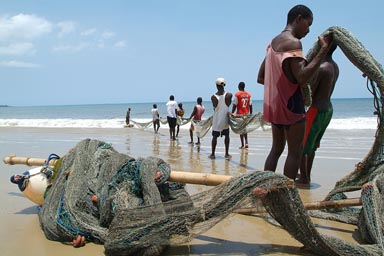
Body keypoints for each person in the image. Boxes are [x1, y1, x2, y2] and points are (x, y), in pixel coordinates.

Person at [257, 4, 333, 180]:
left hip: (275, 107)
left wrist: (280, 87)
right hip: (292, 106)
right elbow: (302, 78)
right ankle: (287, 194)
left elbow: (261, 77)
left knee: (276, 150)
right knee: (295, 152)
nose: (308, 30)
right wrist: (322, 51)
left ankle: (264, 186)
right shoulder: (293, 43)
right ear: (299, 18)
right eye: (308, 24)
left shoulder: (272, 44)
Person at [297, 43, 339, 187]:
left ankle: (303, 178)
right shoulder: (335, 66)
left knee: (302, 145)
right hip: (328, 109)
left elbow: (310, 92)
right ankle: (307, 174)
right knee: (312, 146)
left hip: (316, 109)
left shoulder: (321, 68)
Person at [209, 77, 233, 159]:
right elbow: (228, 105)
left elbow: (214, 108)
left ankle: (213, 154)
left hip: (216, 120)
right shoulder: (229, 95)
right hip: (225, 120)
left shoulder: (213, 97)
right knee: (227, 136)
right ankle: (226, 153)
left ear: (216, 85)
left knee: (214, 137)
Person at [232, 81, 253, 149]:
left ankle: (242, 144)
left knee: (241, 129)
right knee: (245, 129)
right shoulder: (248, 95)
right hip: (246, 114)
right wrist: (250, 114)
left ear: (239, 86)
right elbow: (250, 105)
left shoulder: (237, 94)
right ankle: (246, 142)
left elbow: (235, 105)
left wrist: (232, 113)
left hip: (240, 114)